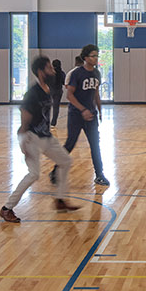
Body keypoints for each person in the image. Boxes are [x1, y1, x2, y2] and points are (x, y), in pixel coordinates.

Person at [0, 56, 79, 223]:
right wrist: (23, 141)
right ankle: (7, 208)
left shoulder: (47, 88)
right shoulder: (33, 93)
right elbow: (24, 120)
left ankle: (59, 199)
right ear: (41, 72)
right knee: (33, 174)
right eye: (49, 68)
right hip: (32, 138)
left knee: (65, 161)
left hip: (46, 136)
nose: (53, 71)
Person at [60, 44, 109, 187]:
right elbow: (69, 95)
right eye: (93, 56)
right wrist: (83, 110)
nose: (95, 58)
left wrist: (99, 110)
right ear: (86, 57)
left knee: (95, 145)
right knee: (70, 144)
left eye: (97, 56)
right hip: (76, 115)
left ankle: (99, 175)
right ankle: (56, 170)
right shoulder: (77, 73)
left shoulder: (96, 73)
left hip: (91, 116)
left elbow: (96, 93)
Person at [48, 58, 66, 129]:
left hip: (50, 90)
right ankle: (53, 122)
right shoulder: (62, 73)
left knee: (47, 106)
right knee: (56, 107)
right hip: (58, 91)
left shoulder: (50, 72)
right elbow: (64, 83)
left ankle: (45, 121)